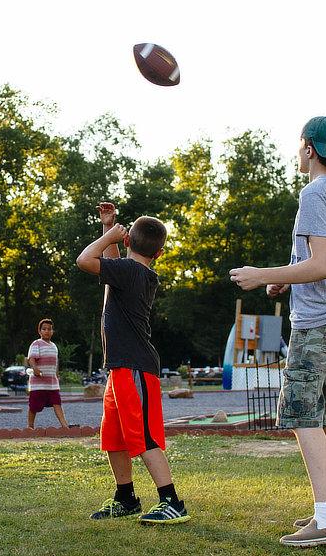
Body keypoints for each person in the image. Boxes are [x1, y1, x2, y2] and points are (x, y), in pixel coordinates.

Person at [229, 116, 326, 547]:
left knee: (302, 414)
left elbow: (322, 264)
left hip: (317, 320)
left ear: (307, 149)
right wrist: (285, 277)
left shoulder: (314, 192)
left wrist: (258, 273)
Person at [76, 201, 190, 525]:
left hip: (135, 368)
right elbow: (110, 267)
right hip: (121, 367)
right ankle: (125, 497)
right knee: (114, 436)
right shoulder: (133, 273)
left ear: (127, 242)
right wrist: (108, 230)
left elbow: (86, 259)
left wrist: (108, 234)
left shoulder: (131, 272)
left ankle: (172, 502)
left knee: (145, 438)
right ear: (160, 252)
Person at [26, 318, 71, 429]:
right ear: (39, 331)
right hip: (38, 384)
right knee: (34, 406)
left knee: (57, 403)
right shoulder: (37, 344)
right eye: (44, 329)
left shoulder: (54, 346)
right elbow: (31, 358)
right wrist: (35, 369)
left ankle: (64, 425)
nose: (47, 331)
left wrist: (56, 375)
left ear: (52, 332)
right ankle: (30, 426)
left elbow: (54, 363)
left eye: (49, 329)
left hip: (52, 384)